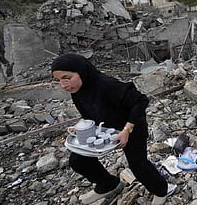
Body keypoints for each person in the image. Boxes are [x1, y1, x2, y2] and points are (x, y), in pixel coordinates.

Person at [51, 53, 176, 205]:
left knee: (138, 166)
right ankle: (109, 184)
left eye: (67, 78)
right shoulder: (77, 89)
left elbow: (141, 101)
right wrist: (81, 126)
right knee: (78, 160)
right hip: (106, 129)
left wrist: (126, 131)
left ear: (81, 71)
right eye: (58, 80)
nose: (63, 85)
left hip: (131, 126)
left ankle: (160, 190)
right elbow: (89, 113)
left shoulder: (107, 85)